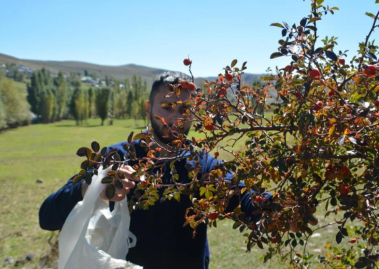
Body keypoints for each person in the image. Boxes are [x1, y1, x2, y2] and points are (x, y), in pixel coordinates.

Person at [39, 72, 313, 269]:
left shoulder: (203, 166)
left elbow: (242, 198)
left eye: (185, 108)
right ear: (149, 108)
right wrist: (93, 188)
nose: (176, 117)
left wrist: (275, 210)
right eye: (167, 107)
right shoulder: (117, 159)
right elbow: (47, 215)